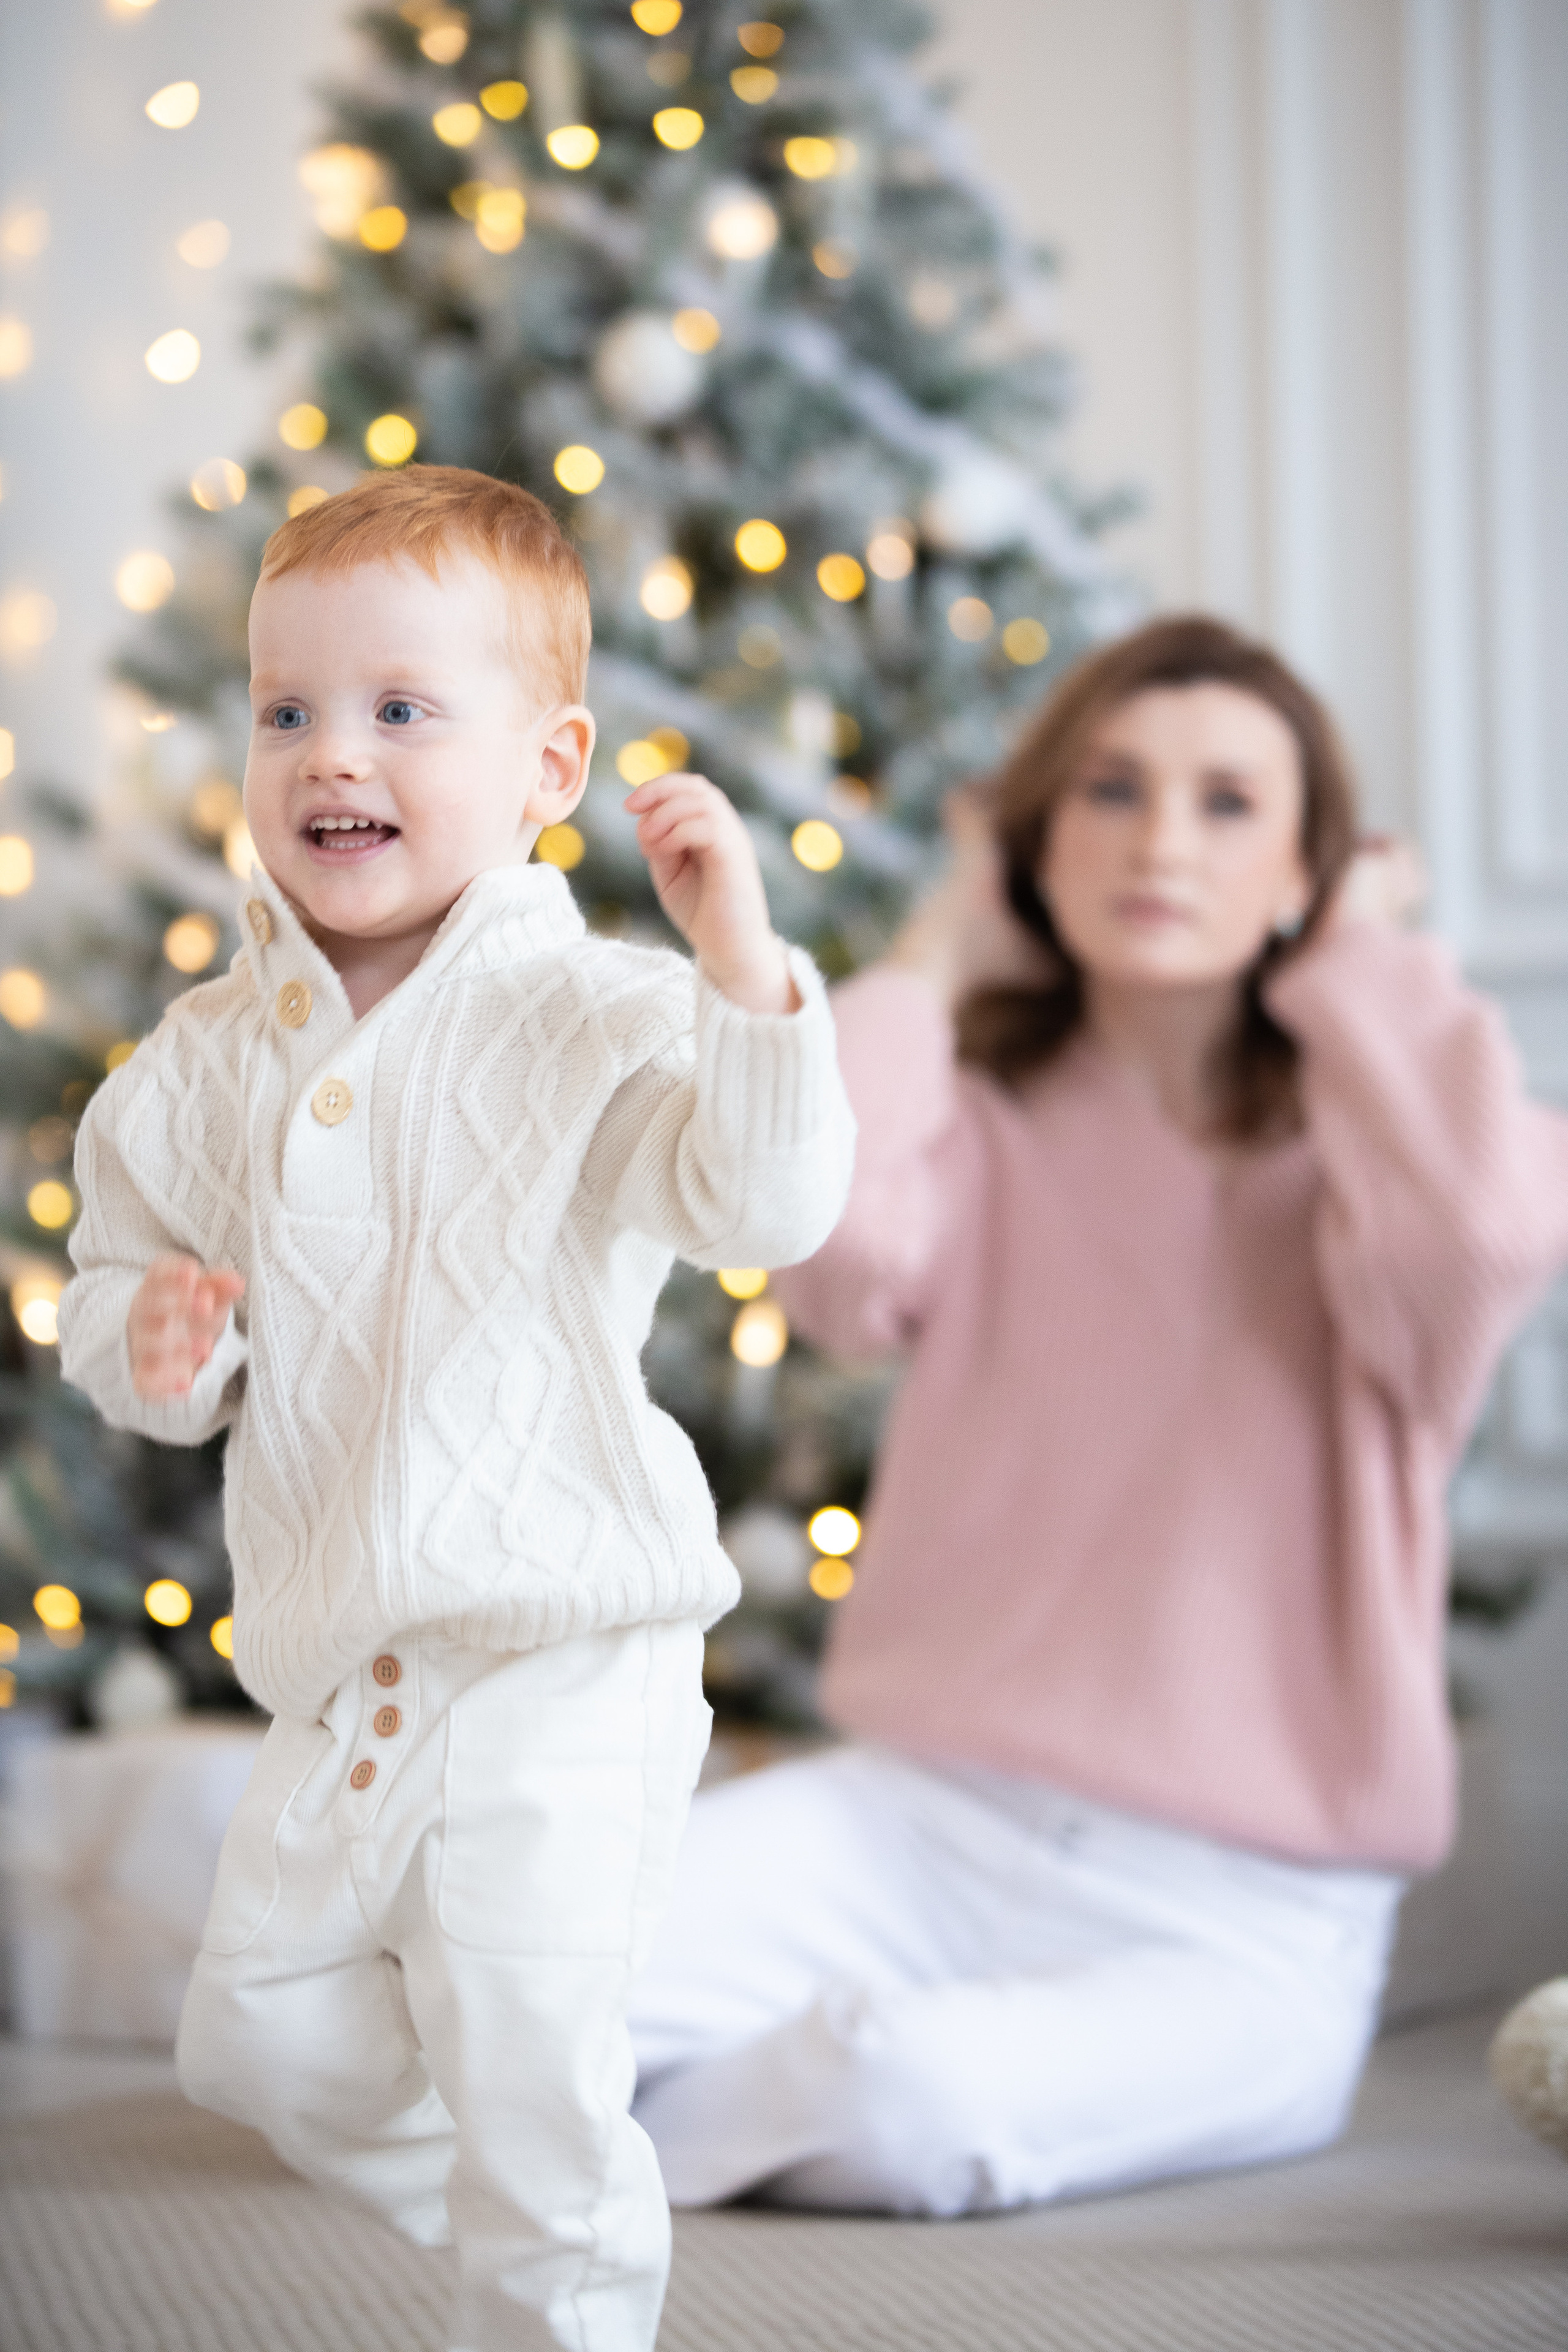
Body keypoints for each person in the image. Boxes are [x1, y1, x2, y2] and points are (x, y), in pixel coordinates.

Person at [628, 614, 1568, 2218]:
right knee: (500, 1964)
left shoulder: (1379, 1170)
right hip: (925, 1821)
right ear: (1038, 845)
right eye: (1113, 792)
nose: (1159, 842)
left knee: (912, 2103)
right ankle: (597, 2116)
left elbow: (1486, 1238)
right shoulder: (979, 1122)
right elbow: (837, 1262)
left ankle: (586, 2147)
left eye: (1228, 805)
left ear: (1308, 870)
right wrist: (930, 956)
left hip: (1248, 1916)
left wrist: (1353, 952)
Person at [58, 466, 854, 2352]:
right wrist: (156, 1347)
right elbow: (116, 1285)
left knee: (519, 2016)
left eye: (402, 710)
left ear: (547, 768)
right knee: (253, 2032)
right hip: (352, 1670)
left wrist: (745, 969)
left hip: (572, 1647)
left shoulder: (596, 1012)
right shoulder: (205, 1061)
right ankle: (545, 2187)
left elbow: (764, 1203)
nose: (332, 754)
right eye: (286, 711)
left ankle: (555, 2254)